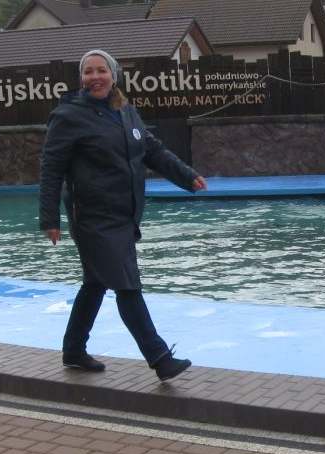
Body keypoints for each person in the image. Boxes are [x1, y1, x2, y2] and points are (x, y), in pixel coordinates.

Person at [38, 49, 207, 381]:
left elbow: (152, 150)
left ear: (113, 75)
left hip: (123, 214)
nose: (95, 77)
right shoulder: (68, 116)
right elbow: (51, 169)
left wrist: (186, 176)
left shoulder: (125, 110)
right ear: (81, 78)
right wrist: (49, 219)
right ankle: (160, 358)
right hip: (92, 217)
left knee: (96, 283)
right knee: (127, 285)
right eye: (88, 71)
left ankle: (73, 350)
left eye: (101, 70)